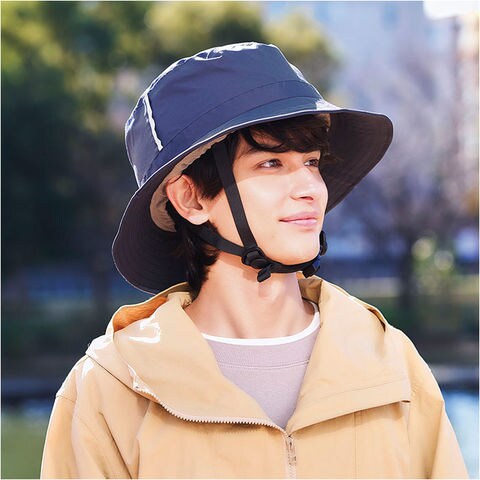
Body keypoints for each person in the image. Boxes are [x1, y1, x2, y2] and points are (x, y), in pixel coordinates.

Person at [41, 42, 468, 479]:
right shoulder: (112, 387)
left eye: (311, 162)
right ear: (191, 199)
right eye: (271, 163)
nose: (310, 188)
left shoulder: (390, 363)